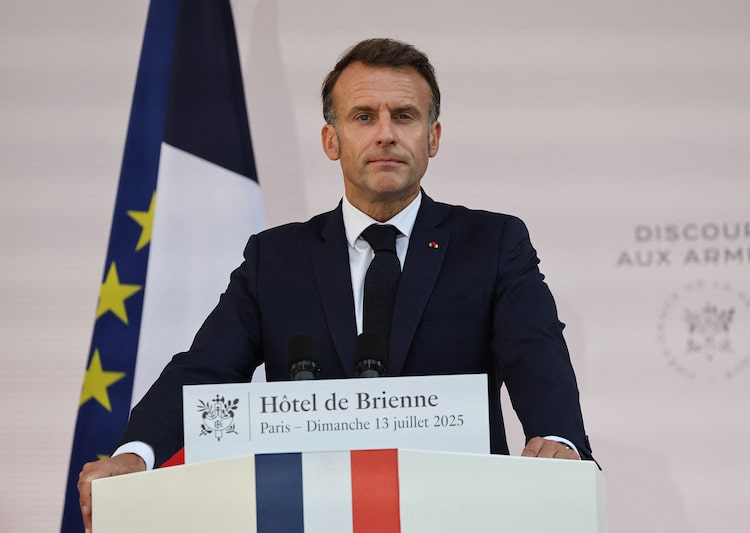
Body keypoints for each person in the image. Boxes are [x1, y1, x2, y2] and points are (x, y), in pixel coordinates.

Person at [78, 37, 592, 530]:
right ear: (331, 140)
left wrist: (559, 440)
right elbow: (207, 367)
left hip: (458, 512)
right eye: (363, 116)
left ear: (433, 137)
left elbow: (535, 349)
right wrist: (135, 454)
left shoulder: (493, 242)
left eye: (404, 116)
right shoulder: (276, 258)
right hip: (310, 513)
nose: (385, 134)